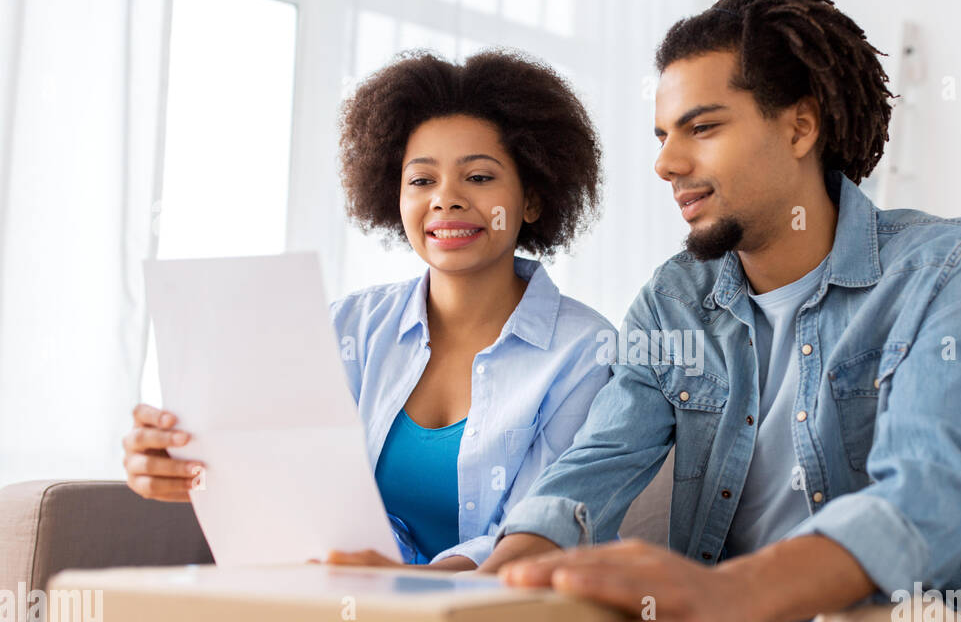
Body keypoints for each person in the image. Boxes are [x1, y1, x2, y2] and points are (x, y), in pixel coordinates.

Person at [481, 0, 961, 622]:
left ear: (800, 125)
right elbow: (586, 476)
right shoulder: (675, 299)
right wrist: (487, 592)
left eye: (701, 128)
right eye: (663, 134)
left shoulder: (946, 269)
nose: (667, 163)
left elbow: (930, 499)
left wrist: (737, 591)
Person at [122, 49, 614, 569]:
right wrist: (180, 460)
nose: (445, 199)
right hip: (334, 609)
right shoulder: (347, 328)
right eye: (422, 181)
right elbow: (271, 466)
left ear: (532, 199)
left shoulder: (584, 351)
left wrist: (408, 584)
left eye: (479, 177)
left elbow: (540, 530)